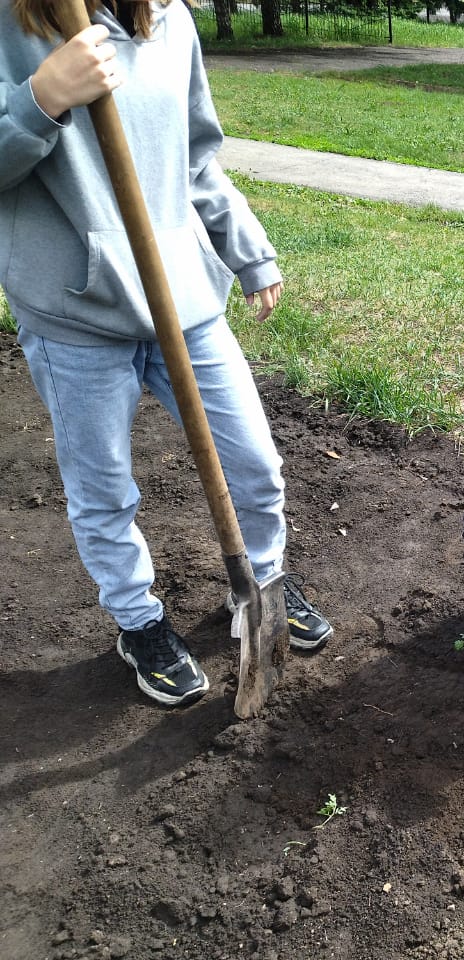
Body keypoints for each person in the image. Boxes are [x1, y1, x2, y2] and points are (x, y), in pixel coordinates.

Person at [0, 0, 332, 708]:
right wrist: (42, 98)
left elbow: (197, 158)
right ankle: (140, 622)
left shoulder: (170, 20)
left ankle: (261, 584)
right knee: (105, 491)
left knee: (256, 465)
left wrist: (249, 251)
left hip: (182, 300)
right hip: (74, 309)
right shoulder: (12, 23)